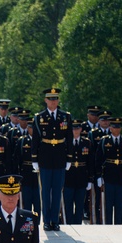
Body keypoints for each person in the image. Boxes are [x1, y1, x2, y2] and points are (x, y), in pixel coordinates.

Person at [31, 87, 73, 231]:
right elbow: (35, 139)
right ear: (46, 100)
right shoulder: (39, 117)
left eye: (55, 99)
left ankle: (55, 220)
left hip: (60, 157)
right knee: (45, 191)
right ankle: (46, 220)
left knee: (57, 190)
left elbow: (69, 137)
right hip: (45, 157)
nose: (53, 102)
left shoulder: (65, 116)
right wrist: (34, 159)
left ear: (58, 100)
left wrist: (69, 158)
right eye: (50, 99)